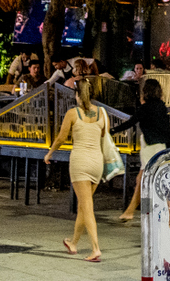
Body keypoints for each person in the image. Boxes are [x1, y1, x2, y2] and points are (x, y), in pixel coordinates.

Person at [45, 77, 107, 261]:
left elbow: (61, 137)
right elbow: (104, 136)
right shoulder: (103, 113)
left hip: (80, 163)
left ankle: (95, 248)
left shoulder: (73, 113)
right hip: (97, 163)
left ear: (77, 94)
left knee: (87, 206)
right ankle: (73, 242)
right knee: (83, 205)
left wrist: (49, 153)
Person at [111, 78, 170, 221]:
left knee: (142, 180)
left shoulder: (144, 109)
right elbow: (166, 129)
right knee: (162, 181)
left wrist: (112, 130)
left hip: (151, 148)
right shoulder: (161, 107)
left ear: (145, 92)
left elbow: (130, 123)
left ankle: (131, 211)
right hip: (162, 147)